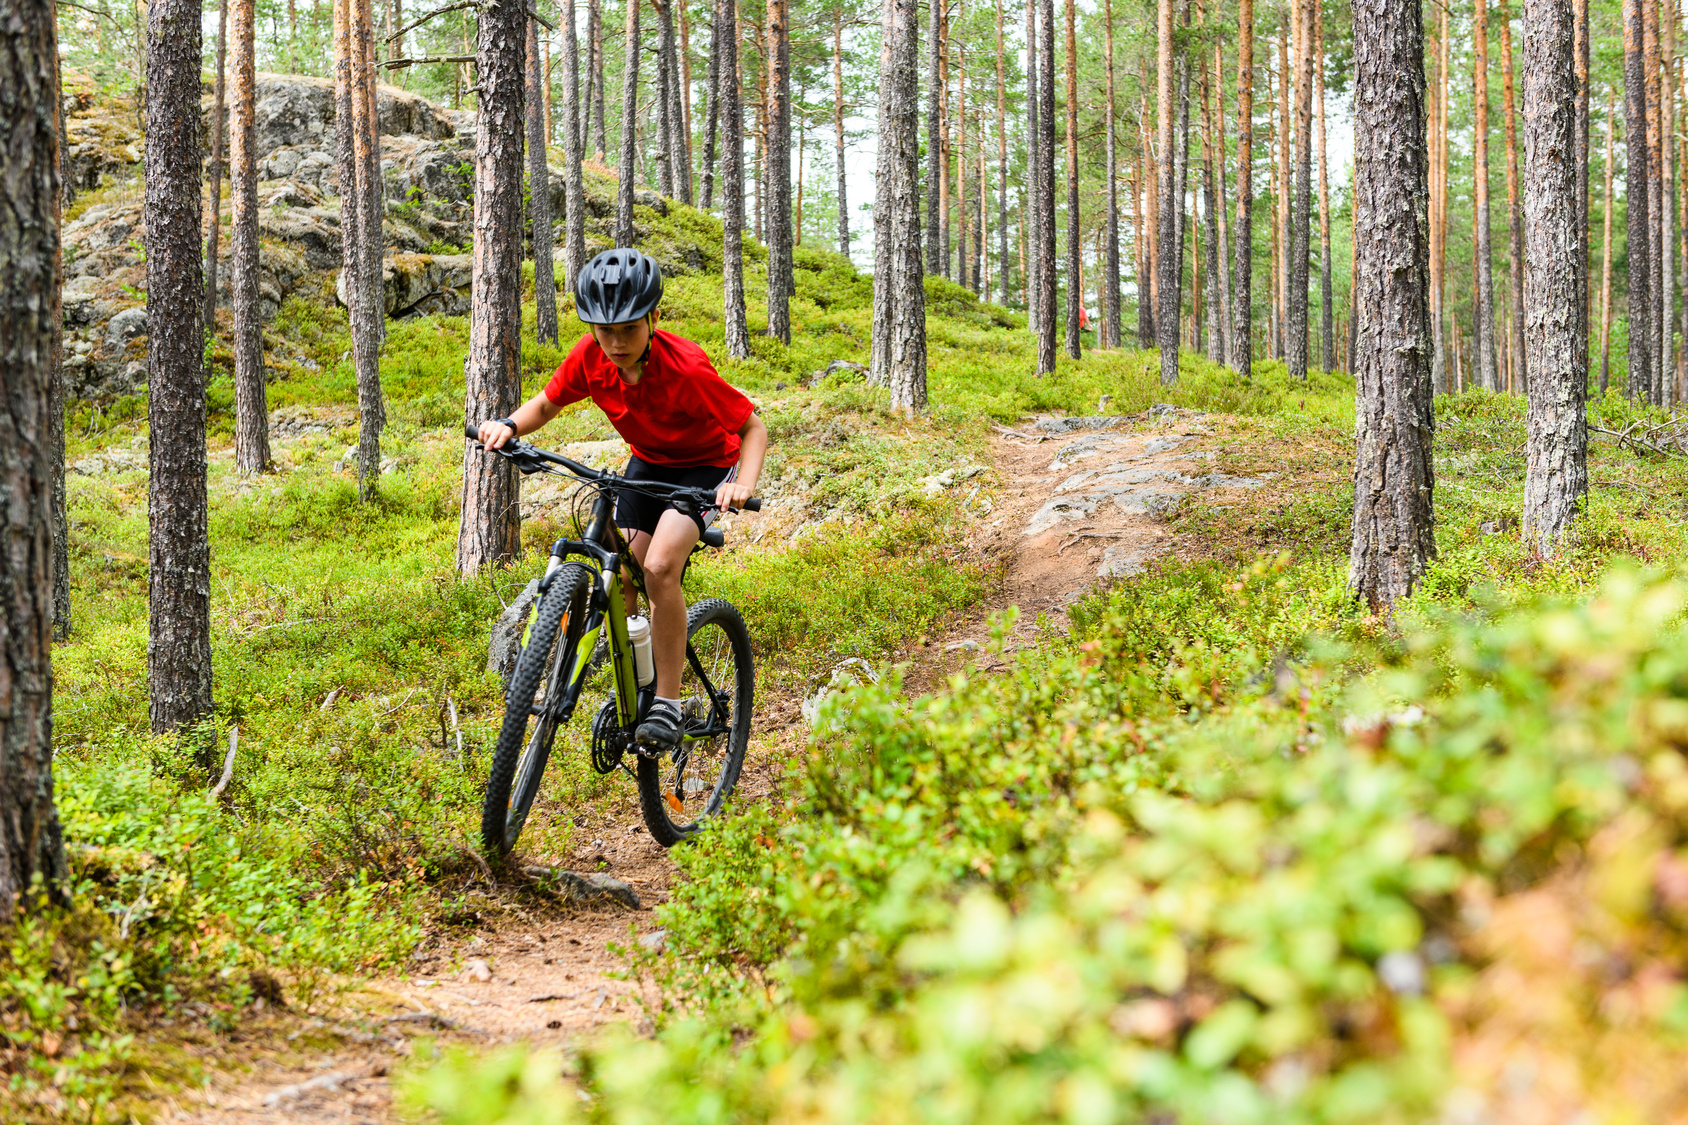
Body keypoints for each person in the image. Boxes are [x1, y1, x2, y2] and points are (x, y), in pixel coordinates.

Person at [474, 249, 768, 752]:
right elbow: (547, 403)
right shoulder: (591, 358)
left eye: (628, 329)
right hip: (649, 462)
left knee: (657, 568)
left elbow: (751, 427)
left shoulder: (687, 369)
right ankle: (639, 685)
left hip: (704, 468)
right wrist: (508, 425)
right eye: (603, 330)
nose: (615, 342)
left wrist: (740, 484)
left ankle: (668, 706)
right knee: (622, 571)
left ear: (654, 318)